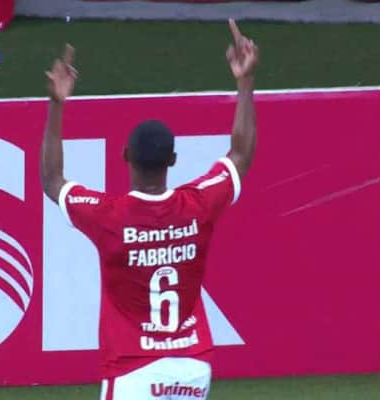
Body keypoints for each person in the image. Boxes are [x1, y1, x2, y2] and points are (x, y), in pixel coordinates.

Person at [40, 20, 259, 400]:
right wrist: (245, 81)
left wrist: (57, 105)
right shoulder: (199, 205)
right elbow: (240, 155)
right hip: (193, 367)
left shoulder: (108, 216)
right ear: (173, 160)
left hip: (133, 369)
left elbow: (52, 179)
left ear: (126, 156)